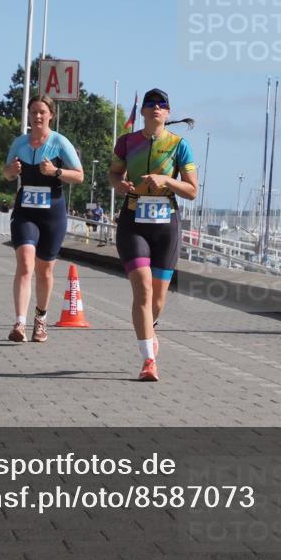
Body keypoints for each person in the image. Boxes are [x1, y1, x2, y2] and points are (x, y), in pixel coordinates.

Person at [109, 88, 197, 382]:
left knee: (157, 299)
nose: (156, 109)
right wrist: (120, 185)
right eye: (151, 105)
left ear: (168, 113)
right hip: (134, 222)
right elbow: (114, 174)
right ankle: (148, 360)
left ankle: (151, 325)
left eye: (162, 105)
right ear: (143, 111)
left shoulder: (179, 145)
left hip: (165, 225)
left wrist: (166, 180)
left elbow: (193, 191)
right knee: (143, 291)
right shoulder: (127, 142)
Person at [3, 95, 84, 343]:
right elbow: (6, 174)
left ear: (51, 115)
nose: (37, 116)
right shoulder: (19, 143)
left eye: (42, 112)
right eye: (33, 112)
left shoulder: (60, 143)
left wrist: (56, 172)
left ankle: (40, 319)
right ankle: (20, 323)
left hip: (52, 213)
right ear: (28, 115)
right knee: (25, 264)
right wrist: (11, 171)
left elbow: (79, 176)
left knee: (45, 271)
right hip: (25, 210)